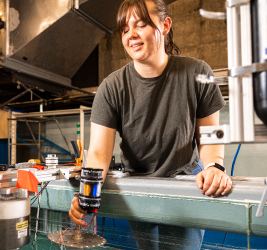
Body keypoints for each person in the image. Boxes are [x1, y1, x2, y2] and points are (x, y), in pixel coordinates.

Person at [67, 0, 232, 249]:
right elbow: (99, 154)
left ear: (164, 26)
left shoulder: (198, 73)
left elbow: (210, 137)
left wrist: (214, 166)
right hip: (139, 187)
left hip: (185, 184)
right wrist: (87, 193)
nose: (131, 34)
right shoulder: (112, 87)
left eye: (141, 24)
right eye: (124, 29)